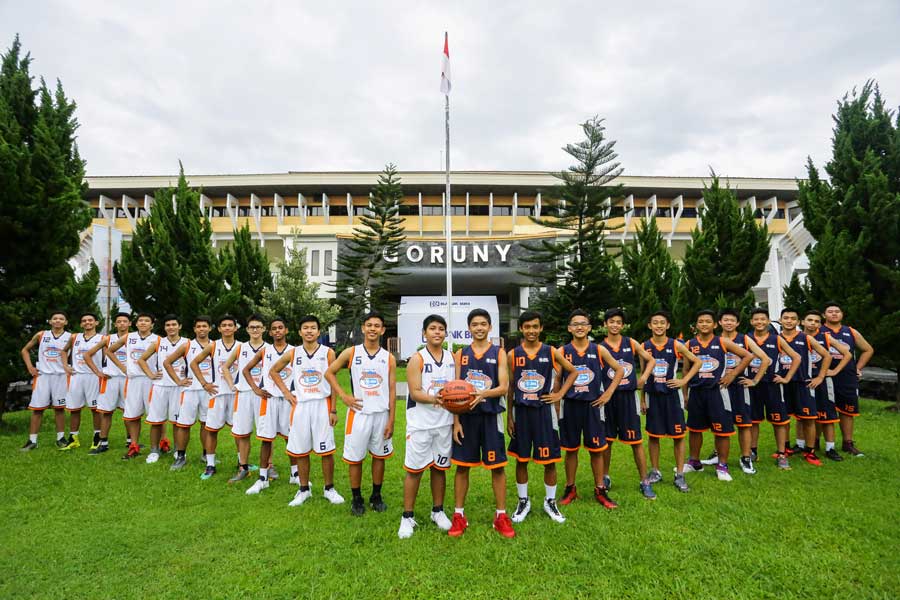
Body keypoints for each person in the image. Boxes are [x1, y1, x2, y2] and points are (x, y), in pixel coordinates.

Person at [507, 310, 580, 524]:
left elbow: (573, 372)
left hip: (544, 413)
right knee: (521, 459)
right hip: (521, 412)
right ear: (521, 328)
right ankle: (523, 500)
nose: (531, 330)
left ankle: (550, 501)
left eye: (535, 326)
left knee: (550, 460)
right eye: (527, 327)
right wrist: (509, 418)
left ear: (541, 328)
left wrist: (559, 394)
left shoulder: (550, 351)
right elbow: (511, 387)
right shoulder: (513, 354)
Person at [448, 308, 514, 538]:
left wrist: (482, 394)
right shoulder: (460, 354)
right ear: (469, 328)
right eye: (475, 324)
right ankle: (459, 515)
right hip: (466, 418)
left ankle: (501, 516)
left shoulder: (499, 353)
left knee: (497, 467)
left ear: (490, 327)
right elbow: (453, 390)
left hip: (490, 415)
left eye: (483, 324)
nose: (479, 327)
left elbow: (504, 387)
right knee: (462, 466)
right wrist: (455, 421)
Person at [325, 311, 397, 516]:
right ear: (363, 328)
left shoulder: (389, 358)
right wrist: (344, 396)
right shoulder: (351, 352)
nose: (373, 328)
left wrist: (391, 419)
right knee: (355, 458)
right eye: (369, 325)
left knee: (379, 456)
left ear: (382, 330)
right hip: (358, 415)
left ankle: (376, 495)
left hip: (381, 414)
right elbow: (329, 373)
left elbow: (392, 391)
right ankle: (356, 498)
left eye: (377, 325)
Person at [269, 315, 345, 507]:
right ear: (300, 331)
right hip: (301, 406)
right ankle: (304, 489)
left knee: (326, 450)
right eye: (305, 327)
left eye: (313, 328)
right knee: (301, 450)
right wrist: (286, 392)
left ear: (319, 332)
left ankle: (329, 489)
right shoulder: (294, 353)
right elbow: (274, 371)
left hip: (322, 404)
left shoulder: (328, 352)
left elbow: (333, 382)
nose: (309, 331)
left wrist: (334, 409)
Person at [557, 309, 625, 508]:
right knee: (570, 449)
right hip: (570, 406)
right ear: (570, 328)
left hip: (593, 406)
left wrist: (608, 393)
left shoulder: (598, 350)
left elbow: (620, 369)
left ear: (589, 328)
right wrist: (556, 403)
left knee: (597, 449)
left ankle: (600, 489)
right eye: (575, 324)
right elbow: (557, 379)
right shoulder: (563, 351)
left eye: (583, 324)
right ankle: (570, 488)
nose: (579, 327)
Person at [397, 315, 455, 539]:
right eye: (432, 328)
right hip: (420, 424)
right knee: (414, 470)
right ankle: (407, 516)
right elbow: (415, 392)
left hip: (444, 422)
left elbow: (456, 390)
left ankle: (437, 511)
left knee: (439, 468)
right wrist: (438, 399)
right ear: (424, 333)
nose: (437, 332)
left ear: (445, 333)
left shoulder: (452, 358)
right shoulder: (417, 358)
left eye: (441, 329)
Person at [683, 310, 755, 481]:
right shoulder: (689, 344)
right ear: (696, 325)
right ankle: (694, 462)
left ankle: (722, 465)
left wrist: (732, 375)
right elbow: (685, 370)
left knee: (722, 430)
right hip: (696, 392)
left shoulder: (722, 341)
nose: (704, 324)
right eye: (700, 321)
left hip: (717, 392)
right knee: (694, 429)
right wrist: (685, 395)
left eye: (708, 321)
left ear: (715, 324)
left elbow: (747, 356)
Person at [701, 308, 771, 474]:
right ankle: (718, 454)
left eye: (732, 320)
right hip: (720, 387)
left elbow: (765, 359)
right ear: (719, 323)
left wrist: (754, 380)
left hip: (739, 387)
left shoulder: (745, 339)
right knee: (719, 423)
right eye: (725, 320)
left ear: (738, 323)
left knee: (744, 423)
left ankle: (745, 458)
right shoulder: (715, 340)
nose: (729, 323)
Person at [599, 308, 657, 499]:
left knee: (636, 441)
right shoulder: (600, 347)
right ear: (605, 324)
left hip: (628, 397)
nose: (615, 325)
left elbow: (651, 361)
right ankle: (605, 477)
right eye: (611, 321)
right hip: (608, 398)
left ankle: (644, 481)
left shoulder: (630, 343)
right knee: (607, 441)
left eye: (618, 322)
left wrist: (644, 378)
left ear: (622, 325)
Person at [641, 310, 701, 492]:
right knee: (653, 435)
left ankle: (680, 474)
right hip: (653, 396)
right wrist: (642, 399)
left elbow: (696, 362)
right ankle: (655, 471)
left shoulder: (675, 345)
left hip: (671, 396)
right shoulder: (644, 346)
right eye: (655, 322)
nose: (659, 326)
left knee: (678, 435)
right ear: (650, 326)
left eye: (662, 323)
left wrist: (683, 381)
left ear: (667, 326)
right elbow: (643, 375)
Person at [243, 317, 295, 494]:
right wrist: (256, 389)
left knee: (291, 438)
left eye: (281, 327)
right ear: (270, 332)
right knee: (266, 439)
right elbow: (246, 370)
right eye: (274, 328)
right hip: (269, 400)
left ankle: (295, 475)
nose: (278, 331)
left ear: (286, 330)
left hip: (289, 401)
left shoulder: (295, 351)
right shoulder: (265, 351)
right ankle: (263, 478)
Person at [746, 308, 801, 470]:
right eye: (756, 319)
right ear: (751, 322)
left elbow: (796, 357)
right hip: (753, 386)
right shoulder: (747, 339)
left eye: (763, 319)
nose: (759, 322)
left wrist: (787, 378)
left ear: (769, 321)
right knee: (753, 421)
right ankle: (752, 452)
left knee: (779, 421)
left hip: (772, 385)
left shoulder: (776, 339)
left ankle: (782, 454)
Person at [778, 308, 833, 466]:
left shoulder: (806, 338)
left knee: (808, 419)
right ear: (780, 320)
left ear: (798, 322)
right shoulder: (775, 338)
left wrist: (821, 376)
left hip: (803, 384)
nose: (789, 321)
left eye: (792, 318)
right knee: (783, 420)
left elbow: (827, 355)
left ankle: (810, 451)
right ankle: (785, 448)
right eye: (786, 318)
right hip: (783, 383)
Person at [820, 302, 874, 457]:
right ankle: (815, 442)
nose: (834, 314)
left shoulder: (850, 331)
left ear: (842, 314)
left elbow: (868, 349)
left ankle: (847, 443)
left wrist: (858, 367)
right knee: (820, 410)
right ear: (824, 315)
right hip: (824, 376)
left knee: (847, 411)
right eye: (830, 311)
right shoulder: (819, 331)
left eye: (837, 311)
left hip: (846, 377)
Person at [191, 315, 239, 480]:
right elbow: (194, 363)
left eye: (230, 325)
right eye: (223, 325)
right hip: (216, 393)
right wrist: (205, 383)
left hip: (235, 394)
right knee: (211, 429)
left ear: (235, 328)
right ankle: (210, 464)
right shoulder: (213, 346)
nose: (227, 328)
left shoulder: (241, 347)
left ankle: (242, 463)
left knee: (239, 430)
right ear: (218, 329)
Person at [105, 313, 158, 459]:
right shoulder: (129, 337)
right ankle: (133, 445)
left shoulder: (157, 339)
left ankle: (159, 446)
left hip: (151, 381)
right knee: (132, 415)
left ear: (152, 324)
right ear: (136, 324)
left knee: (155, 415)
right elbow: (109, 351)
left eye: (147, 320)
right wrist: (123, 368)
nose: (143, 323)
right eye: (140, 320)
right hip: (133, 380)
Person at [164, 316, 214, 470]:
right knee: (184, 424)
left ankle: (206, 454)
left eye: (204, 326)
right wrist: (178, 381)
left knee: (206, 424)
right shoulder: (187, 345)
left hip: (209, 390)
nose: (201, 329)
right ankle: (180, 456)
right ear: (194, 329)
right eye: (198, 326)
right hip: (190, 389)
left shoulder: (215, 345)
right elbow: (167, 362)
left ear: (210, 328)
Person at [802, 310, 852, 461]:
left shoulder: (825, 337)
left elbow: (847, 354)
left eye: (816, 321)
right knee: (803, 416)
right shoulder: (796, 337)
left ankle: (830, 448)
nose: (813, 323)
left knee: (828, 416)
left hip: (822, 382)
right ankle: (803, 444)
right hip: (803, 381)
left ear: (820, 324)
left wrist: (833, 371)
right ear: (802, 322)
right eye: (809, 320)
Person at [222, 314, 266, 483]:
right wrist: (232, 384)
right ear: (247, 329)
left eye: (258, 327)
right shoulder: (240, 348)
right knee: (242, 433)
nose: (255, 330)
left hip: (262, 396)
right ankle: (243, 467)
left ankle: (268, 467)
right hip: (244, 395)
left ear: (263, 329)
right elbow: (226, 367)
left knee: (265, 434)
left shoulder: (268, 348)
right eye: (252, 327)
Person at [137, 314, 187, 463]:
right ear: (164, 327)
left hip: (179, 387)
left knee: (178, 422)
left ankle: (178, 450)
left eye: (174, 324)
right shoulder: (158, 342)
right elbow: (141, 359)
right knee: (156, 420)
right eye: (168, 325)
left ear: (180, 326)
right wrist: (151, 375)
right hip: (160, 386)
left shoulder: (187, 343)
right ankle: (154, 451)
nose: (171, 327)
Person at [20, 311, 72, 450]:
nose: (58, 321)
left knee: (59, 408)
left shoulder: (71, 337)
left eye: (61, 319)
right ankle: (32, 441)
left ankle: (60, 438)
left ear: (66, 322)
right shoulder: (41, 335)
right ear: (50, 321)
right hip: (43, 376)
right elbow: (24, 350)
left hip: (61, 376)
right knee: (37, 409)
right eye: (55, 318)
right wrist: (30, 367)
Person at [86, 312, 132, 454]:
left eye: (125, 321)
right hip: (110, 379)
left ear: (130, 323)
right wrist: (98, 372)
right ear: (115, 324)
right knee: (106, 412)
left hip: (128, 379)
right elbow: (87, 355)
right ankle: (103, 442)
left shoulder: (134, 338)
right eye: (119, 321)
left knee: (129, 411)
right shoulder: (108, 339)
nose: (122, 324)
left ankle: (131, 441)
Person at [60, 313, 106, 451]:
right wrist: (65, 365)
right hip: (76, 376)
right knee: (74, 409)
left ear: (96, 323)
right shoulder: (75, 337)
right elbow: (64, 351)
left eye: (90, 320)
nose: (87, 322)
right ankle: (73, 438)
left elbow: (107, 356)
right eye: (84, 320)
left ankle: (97, 437)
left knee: (96, 409)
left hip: (93, 376)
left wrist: (102, 371)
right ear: (81, 324)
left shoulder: (102, 338)